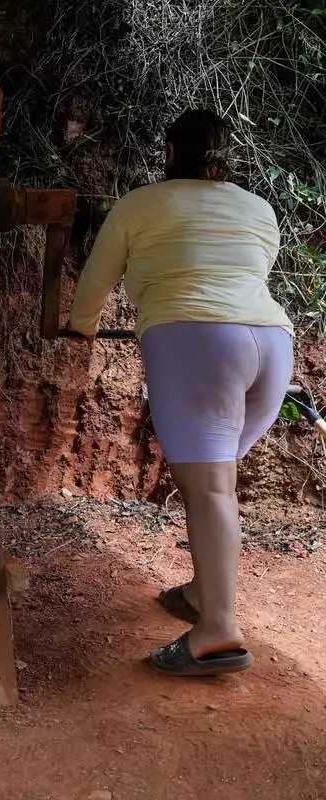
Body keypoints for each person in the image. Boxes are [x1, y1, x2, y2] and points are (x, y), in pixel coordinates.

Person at [68, 109, 294, 677]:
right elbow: (249, 270)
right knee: (217, 483)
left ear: (171, 152)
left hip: (199, 343)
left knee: (210, 487)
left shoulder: (144, 202)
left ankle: (217, 629)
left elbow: (99, 277)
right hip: (272, 345)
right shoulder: (258, 209)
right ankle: (201, 592)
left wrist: (81, 325)